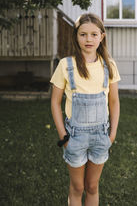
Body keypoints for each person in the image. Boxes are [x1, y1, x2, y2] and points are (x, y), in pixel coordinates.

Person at [50, 13, 120, 206]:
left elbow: (114, 102)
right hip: (74, 137)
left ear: (101, 36)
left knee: (92, 186)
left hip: (100, 136)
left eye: (93, 34)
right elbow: (55, 102)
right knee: (77, 187)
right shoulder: (66, 65)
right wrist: (64, 137)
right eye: (83, 34)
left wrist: (111, 135)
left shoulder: (109, 66)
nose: (88, 39)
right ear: (76, 36)